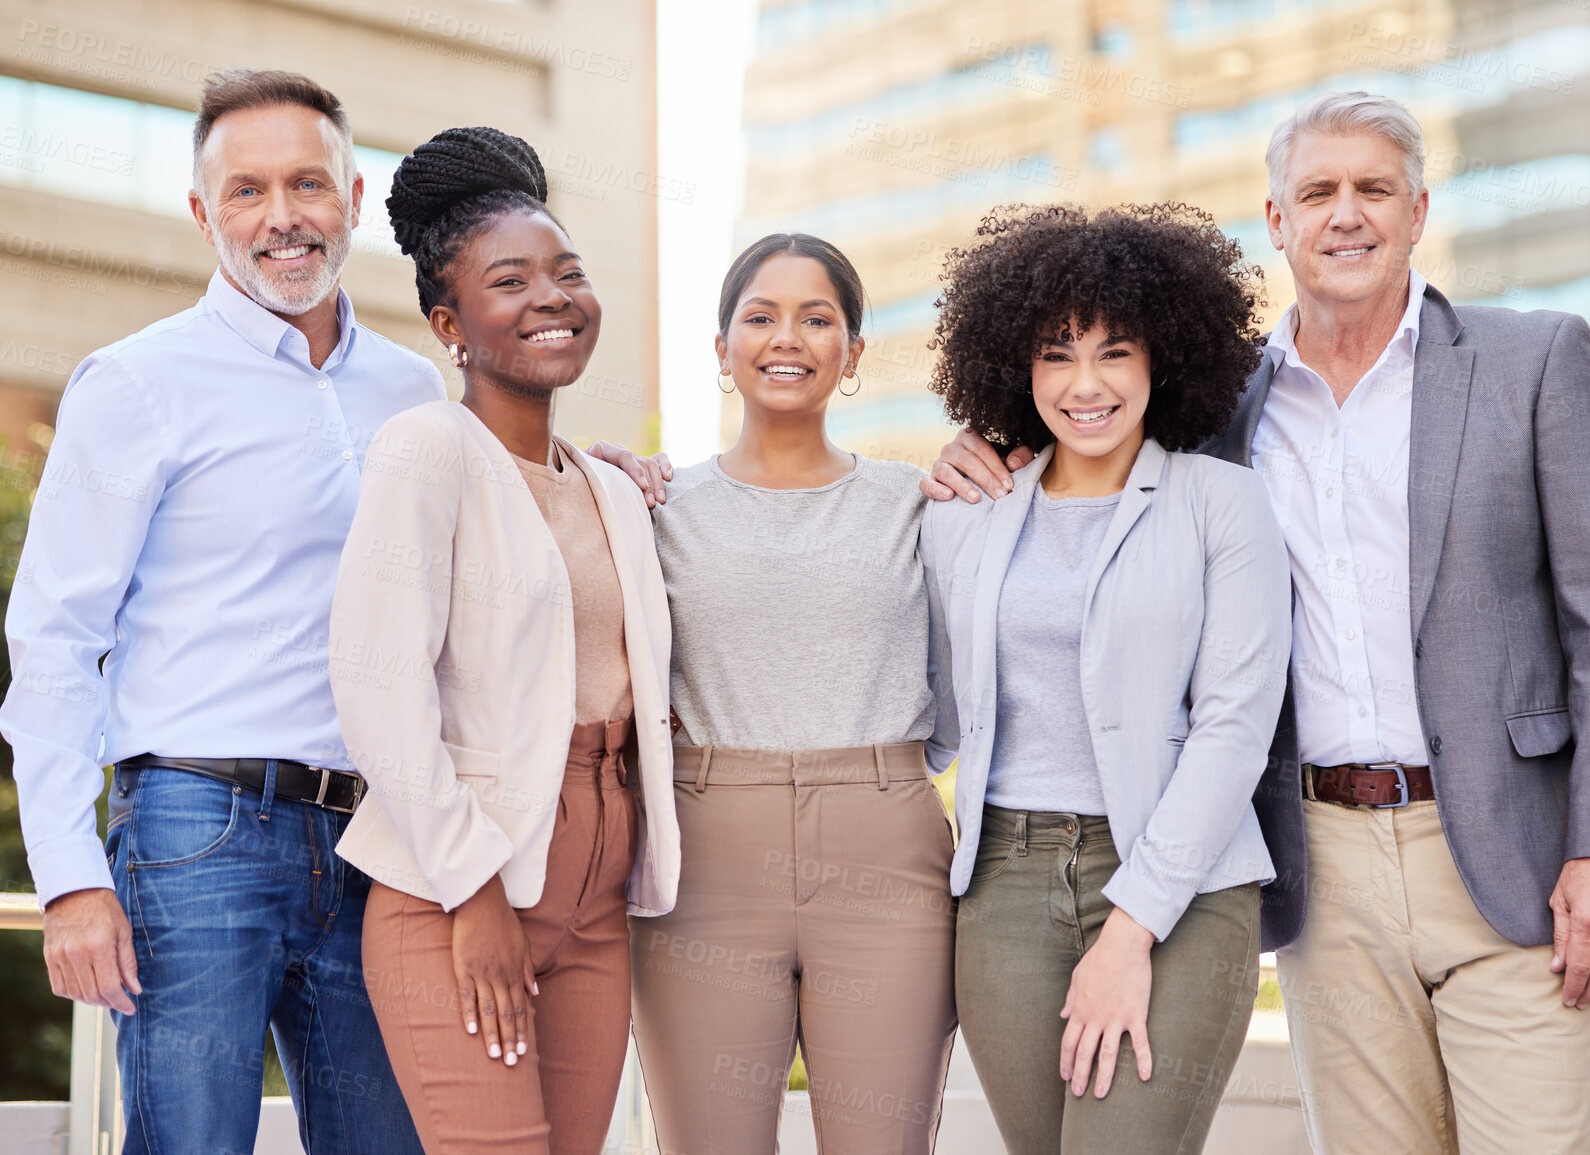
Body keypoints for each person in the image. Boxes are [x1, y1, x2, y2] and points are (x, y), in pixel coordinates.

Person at [925, 91, 1590, 1154]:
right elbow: (1090, 480)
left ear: (1419, 209)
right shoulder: (1218, 412)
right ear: (1276, 221)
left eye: (1374, 189)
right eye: (1317, 192)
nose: (1347, 214)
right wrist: (981, 453)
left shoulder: (1533, 361)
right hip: (1321, 863)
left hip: (1516, 855)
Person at [0, 69, 664, 1155]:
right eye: (248, 190)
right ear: (203, 212)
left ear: (354, 198)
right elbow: (55, 640)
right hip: (197, 828)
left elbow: (501, 539)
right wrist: (70, 877)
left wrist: (607, 477)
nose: (282, 217)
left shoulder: (411, 394)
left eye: (307, 184)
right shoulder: (136, 384)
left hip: (385, 844)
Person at [327, 126, 677, 1155]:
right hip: (462, 878)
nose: (552, 297)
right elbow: (378, 684)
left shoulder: (613, 488)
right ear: (452, 325)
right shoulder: (426, 451)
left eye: (568, 273)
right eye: (511, 281)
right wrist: (471, 896)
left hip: (601, 891)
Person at [920, 203, 1289, 1154]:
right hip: (1001, 883)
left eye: (1114, 352)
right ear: (1015, 367)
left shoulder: (1222, 503)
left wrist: (1129, 932)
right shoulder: (972, 511)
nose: (1085, 384)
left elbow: (1233, 728)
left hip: (1182, 880)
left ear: (1162, 359)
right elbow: (930, 714)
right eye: (1055, 353)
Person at [628, 233, 957, 1154]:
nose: (788, 337)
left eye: (818, 319)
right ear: (721, 345)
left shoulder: (918, 502)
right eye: (760, 316)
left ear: (852, 354)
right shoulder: (655, 506)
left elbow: (961, 677)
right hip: (703, 850)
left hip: (885, 844)